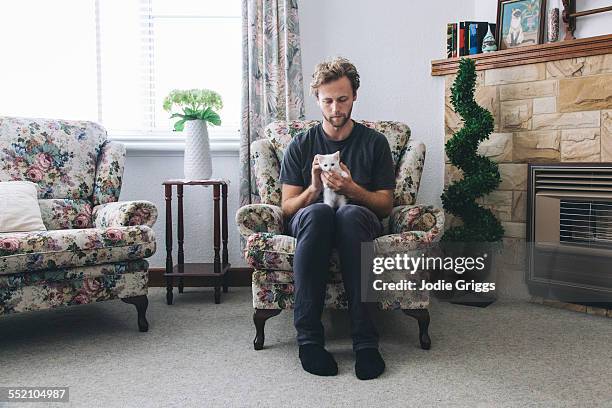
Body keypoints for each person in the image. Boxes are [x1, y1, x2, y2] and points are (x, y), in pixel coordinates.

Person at [279, 57, 396, 380]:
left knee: (348, 215)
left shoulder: (375, 143)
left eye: (342, 99)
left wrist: (351, 188)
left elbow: (385, 205)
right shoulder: (301, 145)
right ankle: (309, 341)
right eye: (328, 100)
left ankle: (366, 344)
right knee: (317, 214)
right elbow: (287, 208)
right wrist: (314, 189)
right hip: (313, 221)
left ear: (355, 96)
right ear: (317, 99)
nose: (335, 108)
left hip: (357, 222)